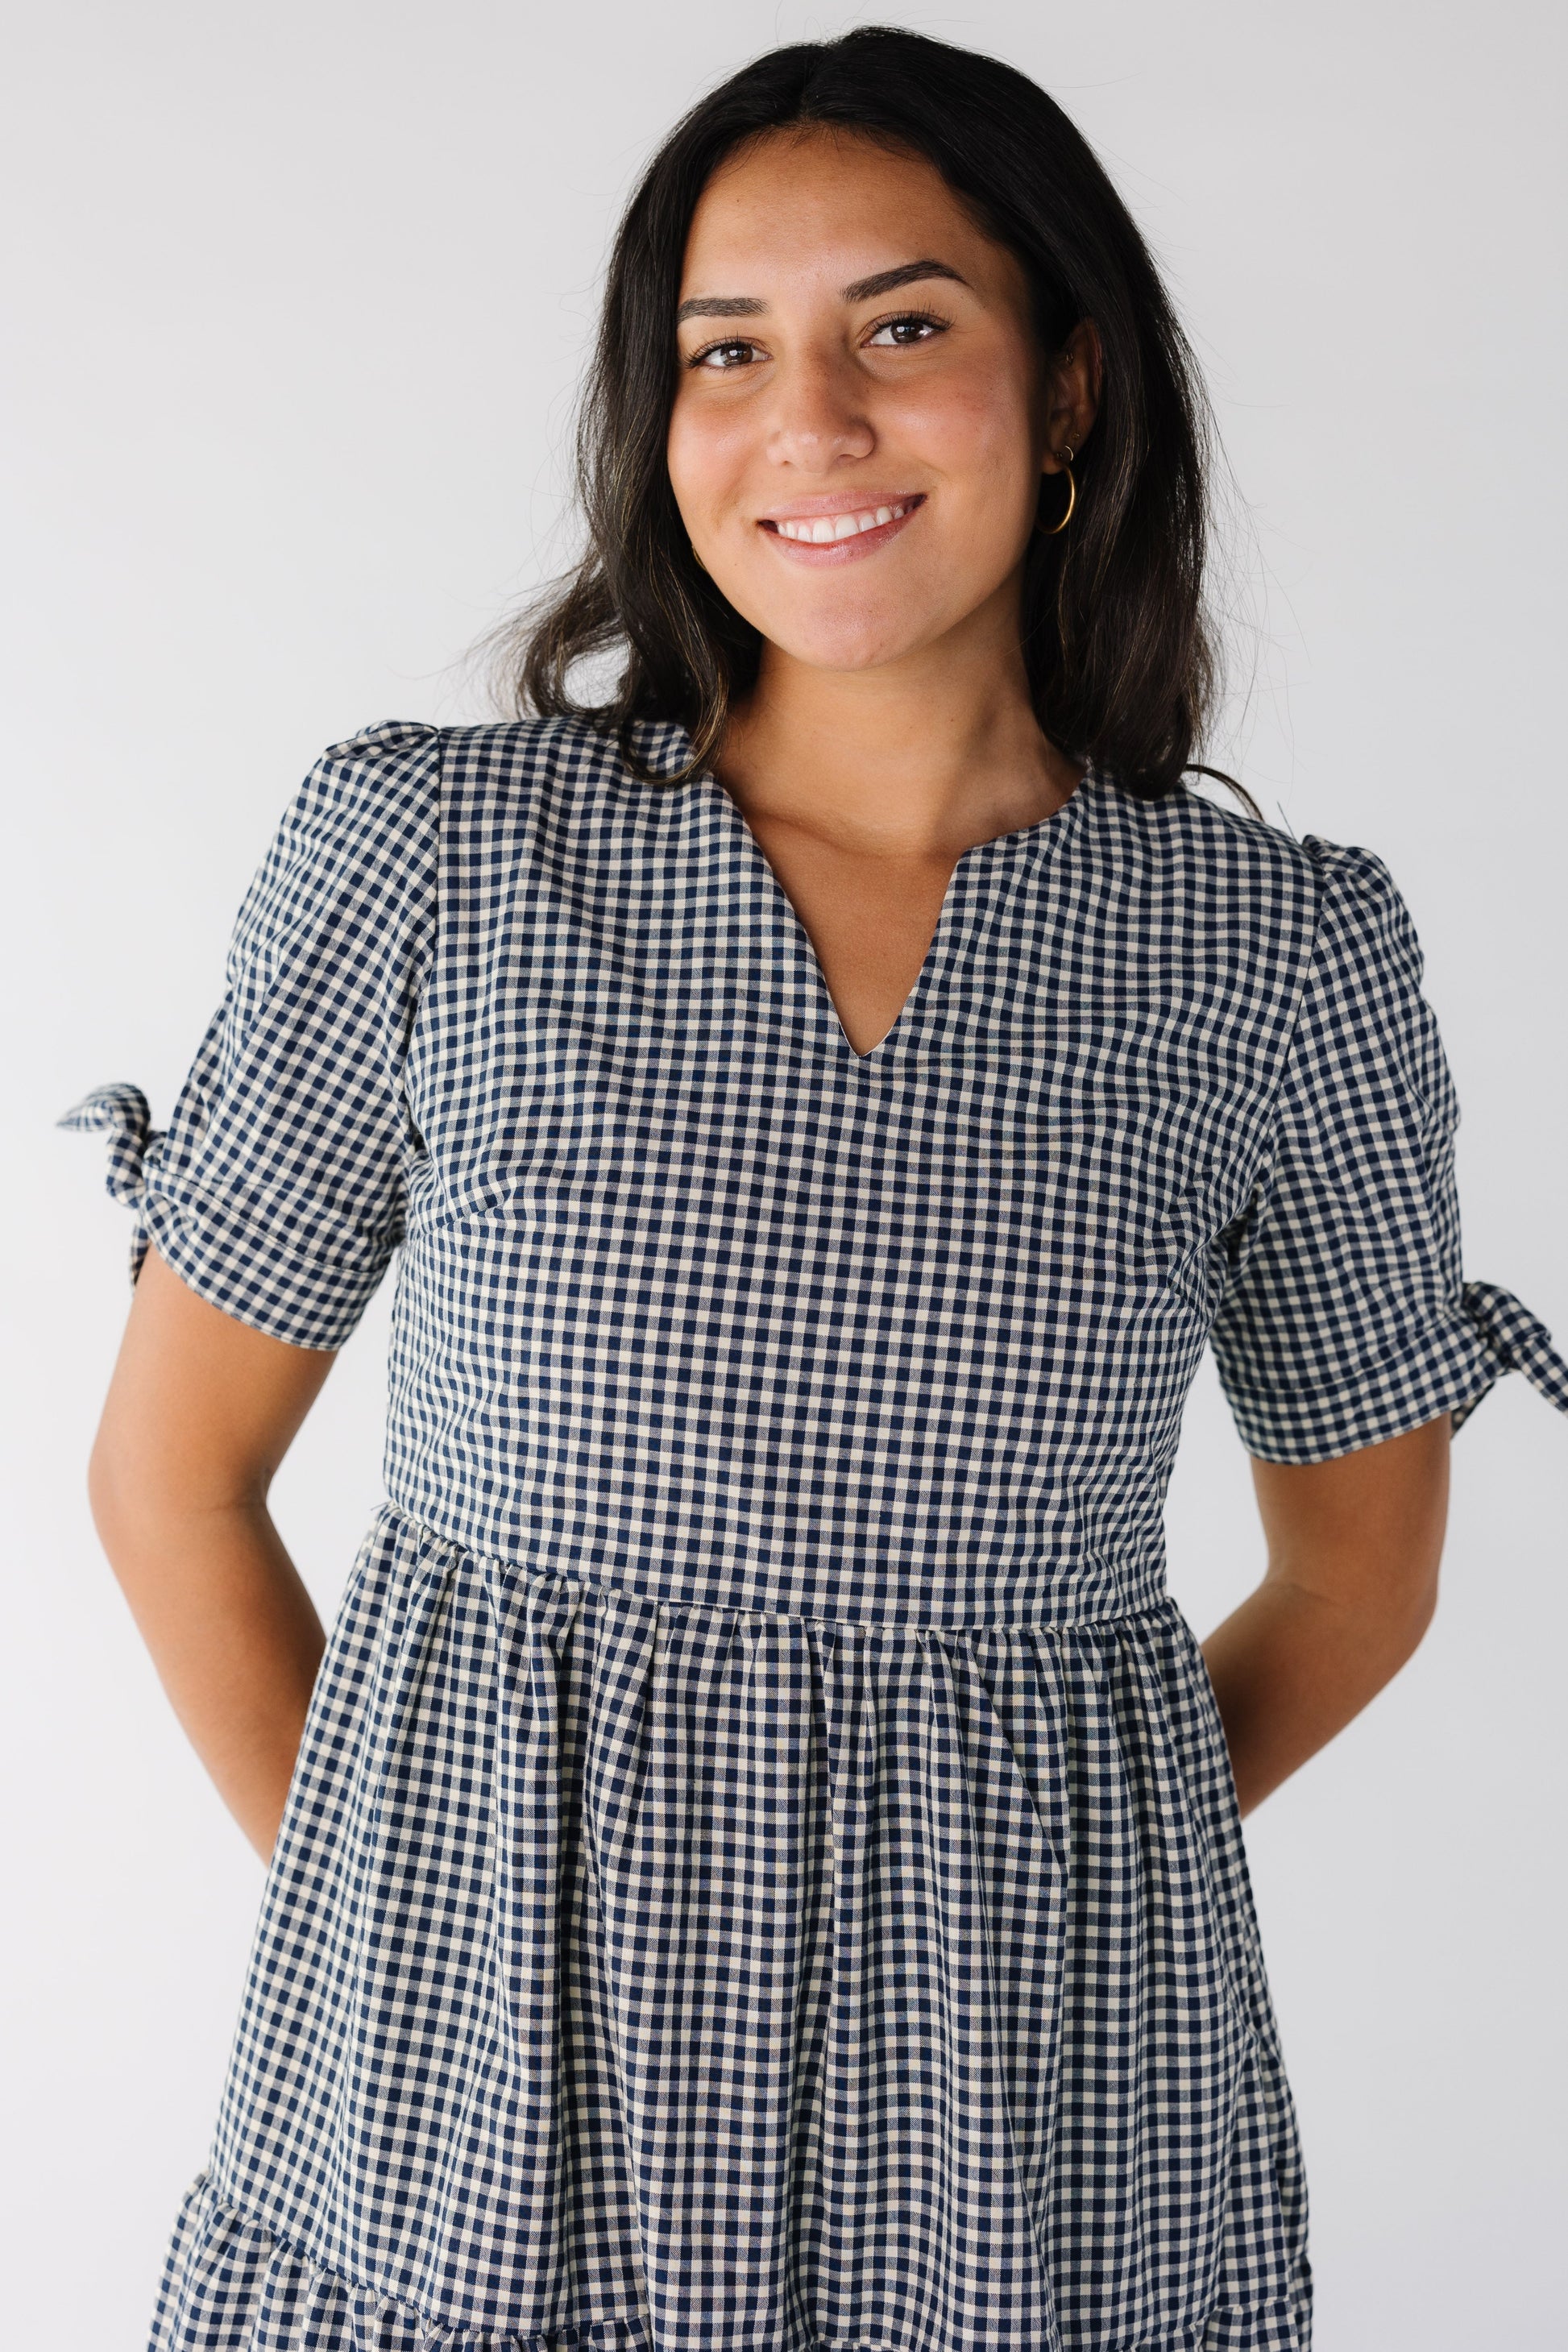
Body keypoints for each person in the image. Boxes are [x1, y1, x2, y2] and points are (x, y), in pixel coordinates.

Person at [60, 27, 1567, 2352]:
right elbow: (171, 1481)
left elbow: (1359, 1580)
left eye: (904, 326)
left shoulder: (1277, 958)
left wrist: (1039, 1911)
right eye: (726, 350)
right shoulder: (439, 860)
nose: (812, 422)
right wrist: (430, 1940)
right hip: (467, 2130)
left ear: (1068, 389)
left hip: (1026, 2157)